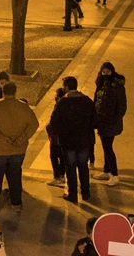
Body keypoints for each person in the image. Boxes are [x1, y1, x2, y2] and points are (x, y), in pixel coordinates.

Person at [0, 81, 39, 216]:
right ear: (15, 92)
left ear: (3, 92)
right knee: (15, 176)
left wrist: (1, 138)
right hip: (18, 149)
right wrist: (22, 138)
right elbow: (34, 124)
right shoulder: (23, 107)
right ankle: (16, 203)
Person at [50, 75, 97, 203]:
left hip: (68, 141)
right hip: (84, 140)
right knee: (83, 166)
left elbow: (54, 123)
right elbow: (95, 121)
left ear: (66, 87)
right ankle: (86, 193)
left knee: (70, 167)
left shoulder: (62, 103)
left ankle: (72, 194)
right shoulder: (87, 101)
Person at [93, 62, 127, 186]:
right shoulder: (101, 84)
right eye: (104, 72)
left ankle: (114, 174)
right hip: (101, 121)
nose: (105, 74)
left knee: (108, 148)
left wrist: (113, 120)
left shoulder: (117, 86)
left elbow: (122, 107)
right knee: (105, 146)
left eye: (108, 71)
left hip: (110, 123)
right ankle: (107, 171)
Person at [47, 87, 67, 187]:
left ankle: (57, 177)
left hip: (56, 136)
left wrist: (49, 130)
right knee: (62, 157)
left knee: (54, 156)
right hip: (63, 137)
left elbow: (52, 122)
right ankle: (62, 175)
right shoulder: (68, 105)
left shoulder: (58, 106)